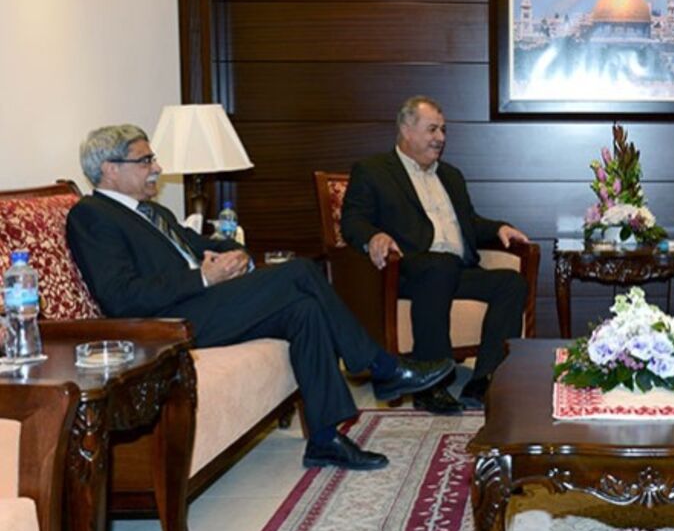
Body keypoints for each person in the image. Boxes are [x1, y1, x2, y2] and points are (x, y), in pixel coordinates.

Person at [66, 125, 455, 471]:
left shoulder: (153, 211)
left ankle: (325, 439)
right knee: (301, 272)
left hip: (202, 304)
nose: (156, 167)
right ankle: (379, 366)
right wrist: (202, 276)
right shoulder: (92, 215)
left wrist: (235, 255)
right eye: (144, 160)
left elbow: (202, 243)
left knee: (303, 310)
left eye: (152, 158)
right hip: (168, 323)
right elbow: (121, 296)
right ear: (109, 169)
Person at [341, 96, 530, 413]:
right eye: (432, 129)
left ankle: (482, 381)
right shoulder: (373, 171)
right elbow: (352, 220)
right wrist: (373, 236)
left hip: (454, 270)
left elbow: (468, 222)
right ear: (406, 129)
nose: (440, 138)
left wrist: (498, 228)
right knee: (439, 266)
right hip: (406, 271)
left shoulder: (451, 176)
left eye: (443, 130)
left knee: (511, 283)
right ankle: (432, 384)